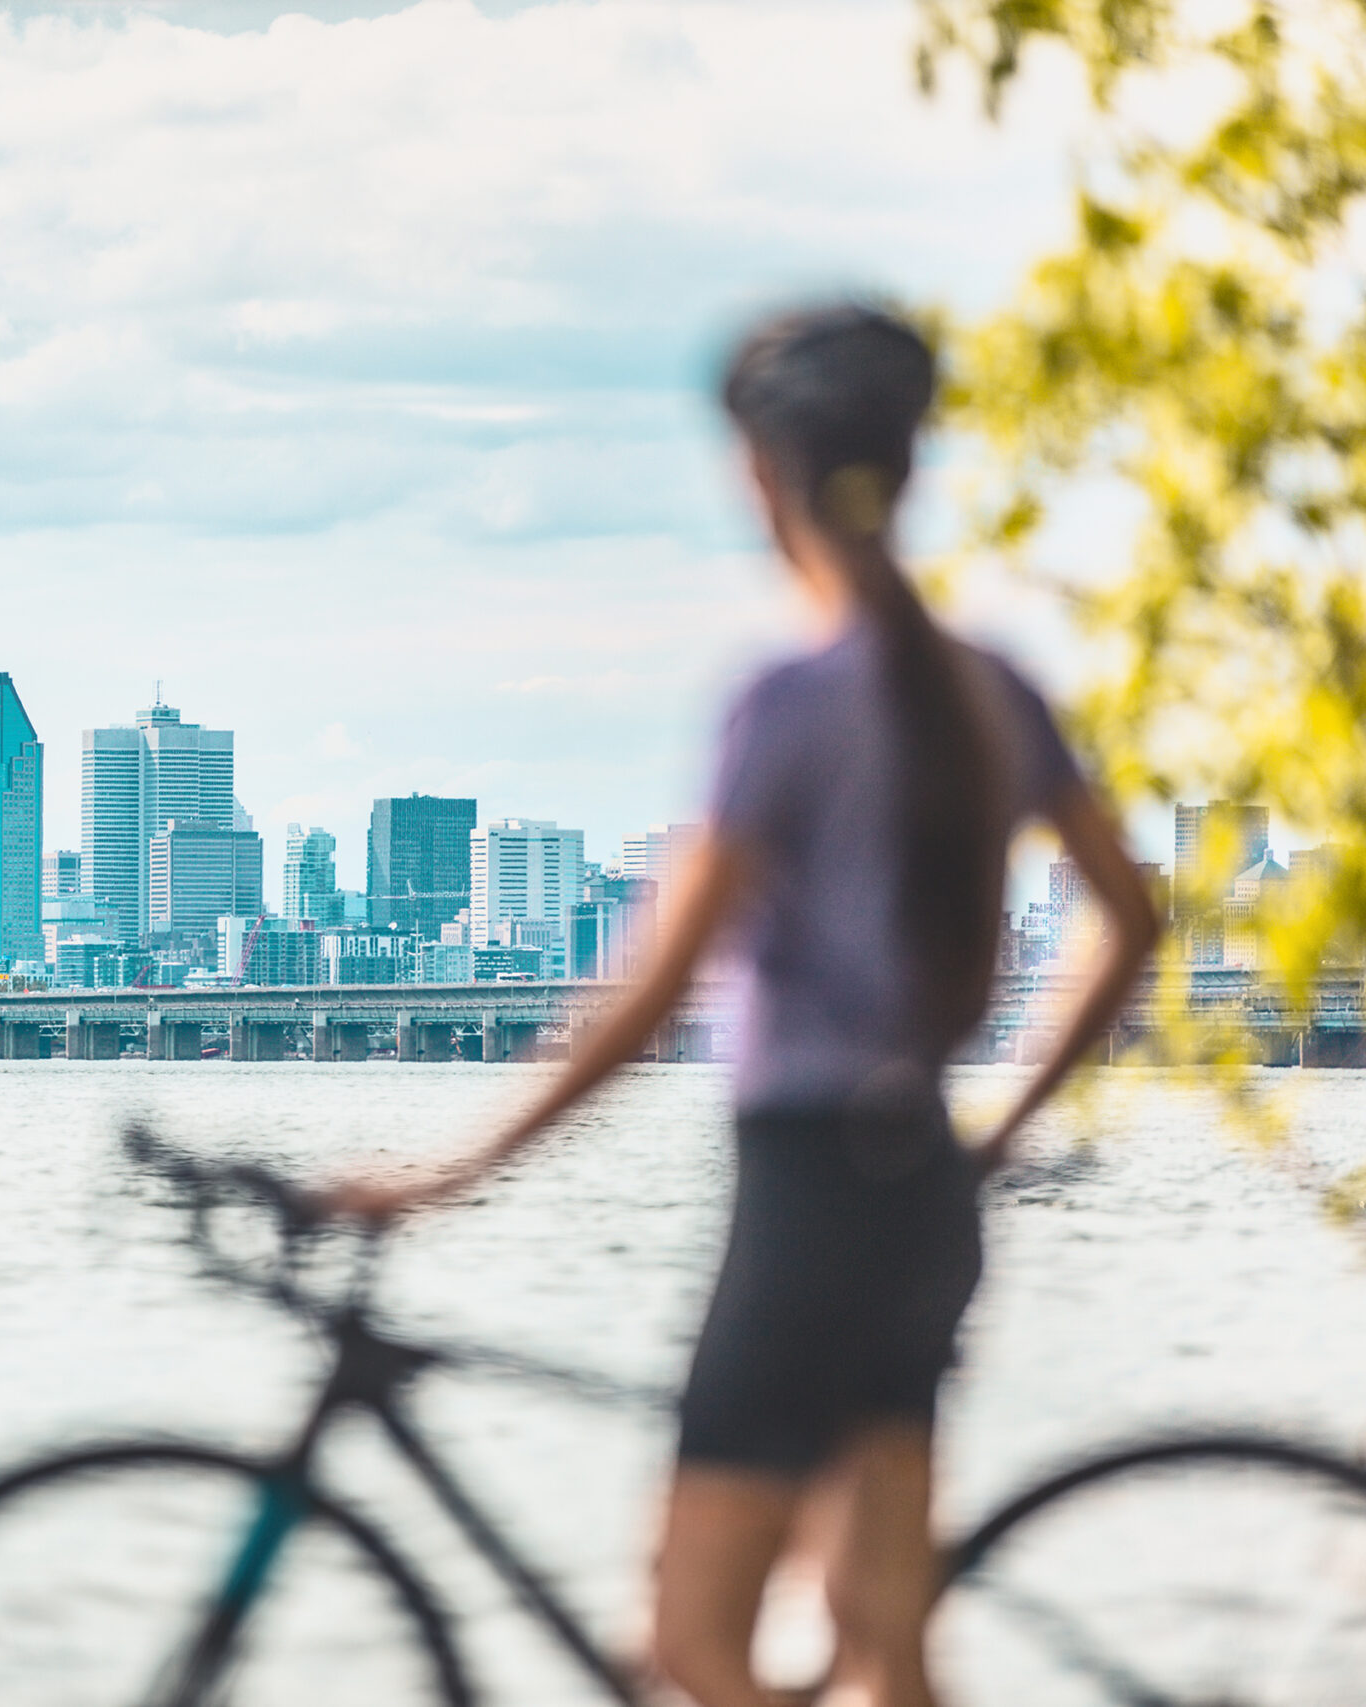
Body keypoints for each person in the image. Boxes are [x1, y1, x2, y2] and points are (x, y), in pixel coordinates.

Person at [322, 304, 1161, 1707]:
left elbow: (657, 989)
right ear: (906, 466)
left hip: (811, 1200)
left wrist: (457, 1168)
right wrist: (1000, 1118)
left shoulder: (787, 697)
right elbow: (1131, 923)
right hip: (923, 1208)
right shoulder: (994, 686)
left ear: (758, 474)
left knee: (693, 1651)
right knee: (885, 1653)